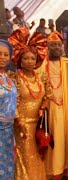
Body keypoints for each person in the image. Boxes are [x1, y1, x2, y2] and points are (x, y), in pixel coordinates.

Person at [8, 27, 49, 179]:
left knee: (38, 158)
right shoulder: (15, 78)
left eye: (32, 58)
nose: (29, 61)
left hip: (39, 127)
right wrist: (18, 122)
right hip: (22, 126)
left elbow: (46, 97)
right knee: (25, 158)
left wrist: (44, 105)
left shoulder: (40, 78)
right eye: (26, 58)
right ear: (20, 59)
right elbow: (13, 102)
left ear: (37, 59)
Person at [37, 31, 67, 179]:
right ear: (47, 47)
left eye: (58, 45)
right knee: (52, 140)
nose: (56, 47)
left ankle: (66, 168)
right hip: (49, 108)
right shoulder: (42, 64)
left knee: (65, 139)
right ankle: (52, 171)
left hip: (66, 107)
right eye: (52, 45)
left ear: (62, 47)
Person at [0, 39, 17, 179]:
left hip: (9, 133)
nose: (3, 57)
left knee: (8, 169)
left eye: (6, 54)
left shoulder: (9, 79)